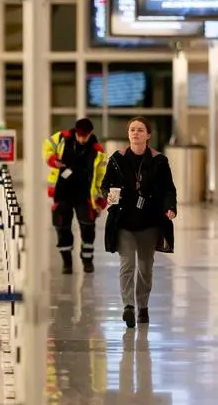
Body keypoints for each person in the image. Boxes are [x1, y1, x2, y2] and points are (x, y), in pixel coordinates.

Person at [101, 116, 177, 328]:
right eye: (132, 129)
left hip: (150, 223)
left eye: (140, 130)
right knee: (127, 264)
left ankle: (142, 305)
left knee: (145, 268)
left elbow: (168, 189)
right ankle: (128, 307)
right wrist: (107, 194)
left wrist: (170, 207)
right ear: (128, 134)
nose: (135, 133)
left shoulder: (159, 161)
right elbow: (105, 184)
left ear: (148, 135)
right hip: (124, 222)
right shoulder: (117, 159)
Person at [43, 117, 107, 275]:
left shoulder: (98, 150)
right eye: (80, 135)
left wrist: (102, 197)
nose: (82, 138)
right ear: (76, 132)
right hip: (63, 191)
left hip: (84, 194)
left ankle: (87, 260)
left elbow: (101, 176)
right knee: (62, 226)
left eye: (85, 135)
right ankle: (67, 262)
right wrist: (52, 159)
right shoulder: (62, 138)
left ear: (90, 133)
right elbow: (47, 146)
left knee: (88, 226)